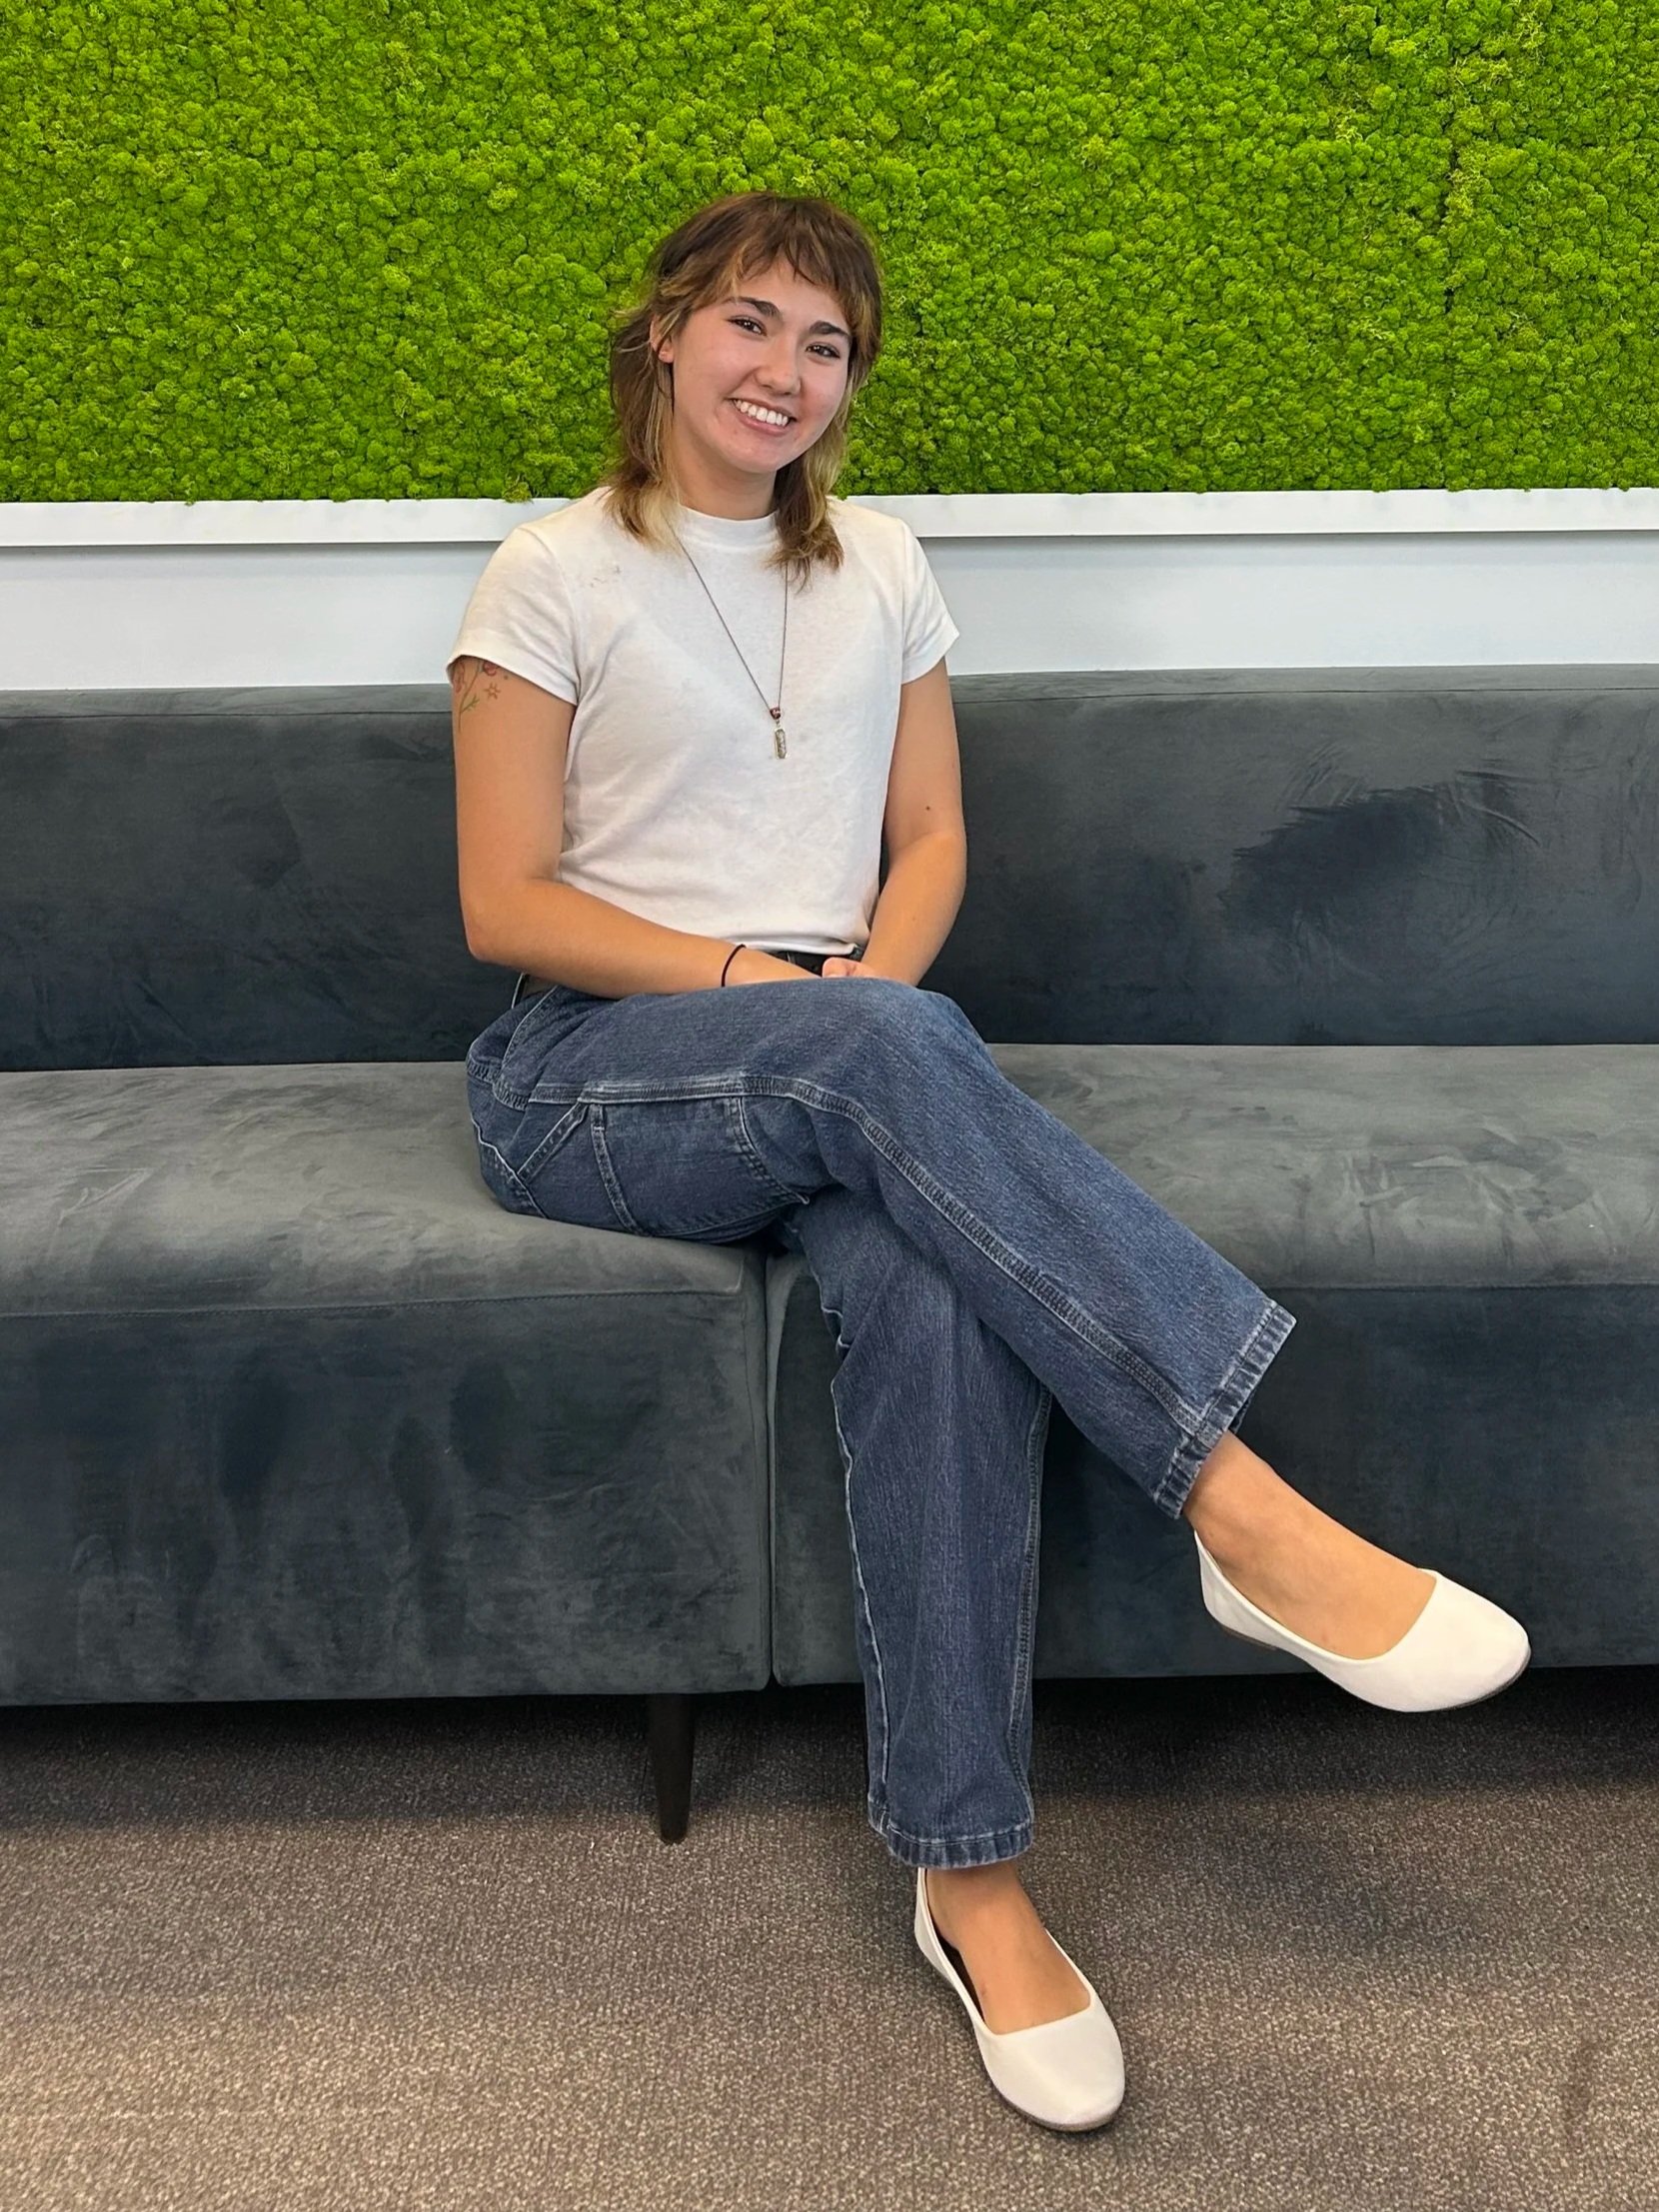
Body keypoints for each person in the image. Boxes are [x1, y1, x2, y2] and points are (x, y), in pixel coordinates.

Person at [445, 190, 1530, 2133]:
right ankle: (1240, 1507)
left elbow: (930, 837)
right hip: (596, 1070)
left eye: (827, 345)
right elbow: (503, 901)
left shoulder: (881, 566)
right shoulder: (551, 571)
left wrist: (860, 998)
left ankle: (971, 1880)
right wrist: (790, 999)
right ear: (667, 333)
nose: (784, 371)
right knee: (884, 1049)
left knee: (936, 1295)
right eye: (751, 323)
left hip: (844, 1055)